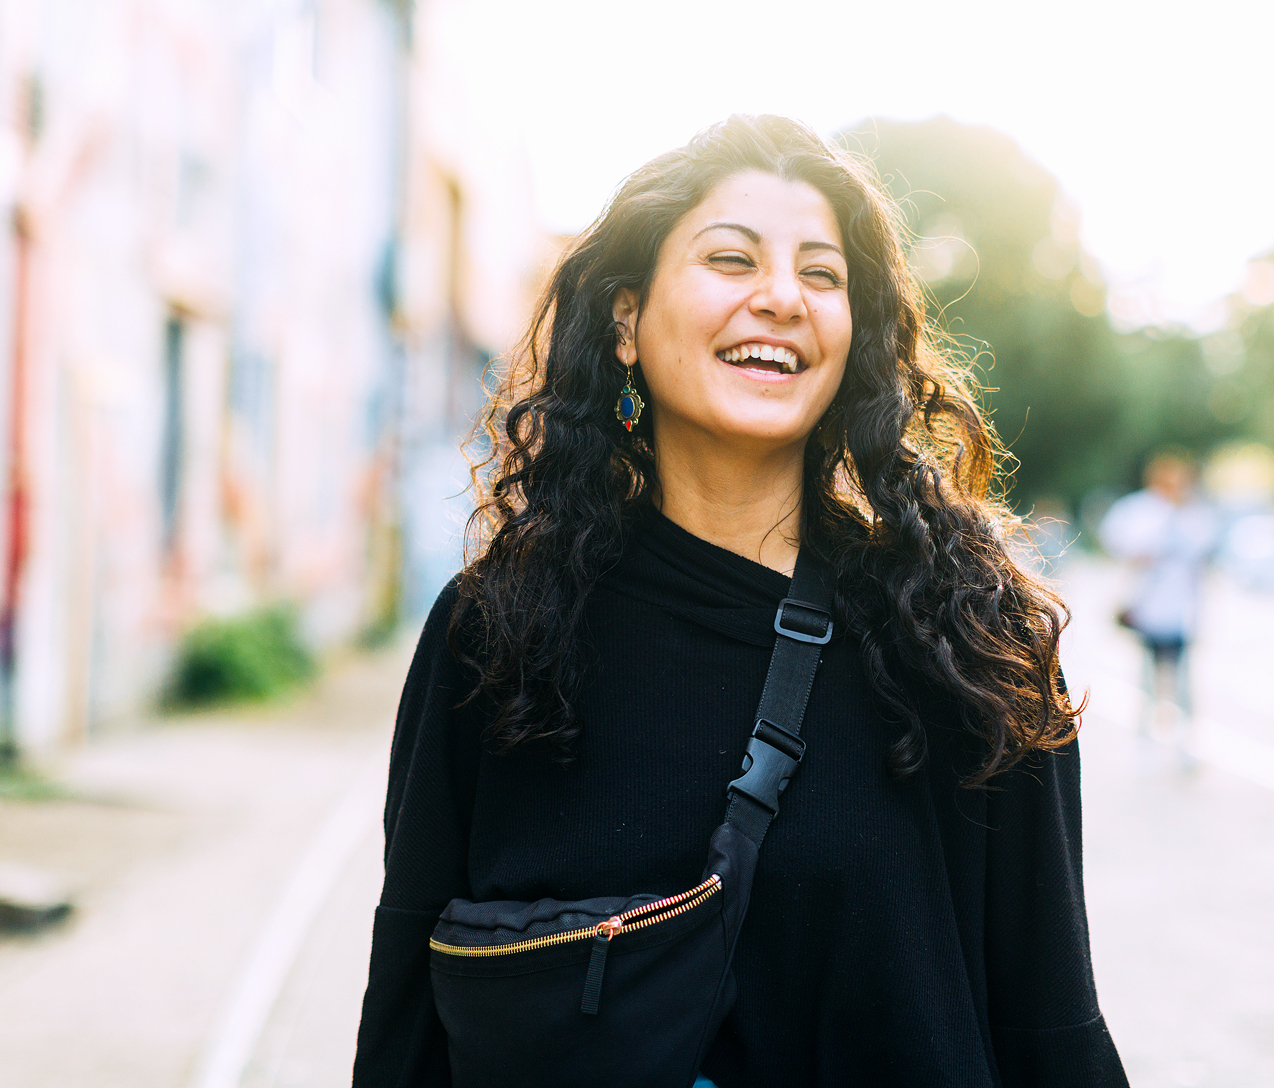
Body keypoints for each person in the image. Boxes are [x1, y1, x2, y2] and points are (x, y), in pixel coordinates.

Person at [353, 115, 1129, 1087]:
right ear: (626, 321)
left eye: (821, 273)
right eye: (731, 259)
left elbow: (1050, 1022)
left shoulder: (969, 637)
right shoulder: (496, 629)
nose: (779, 298)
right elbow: (408, 1012)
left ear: (856, 338)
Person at [1099, 453, 1219, 766]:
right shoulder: (1139, 509)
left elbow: (1203, 551)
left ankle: (1185, 745)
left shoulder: (1194, 513)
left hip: (1181, 612)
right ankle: (1145, 745)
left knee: (1182, 683)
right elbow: (1120, 542)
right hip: (1148, 609)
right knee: (1148, 681)